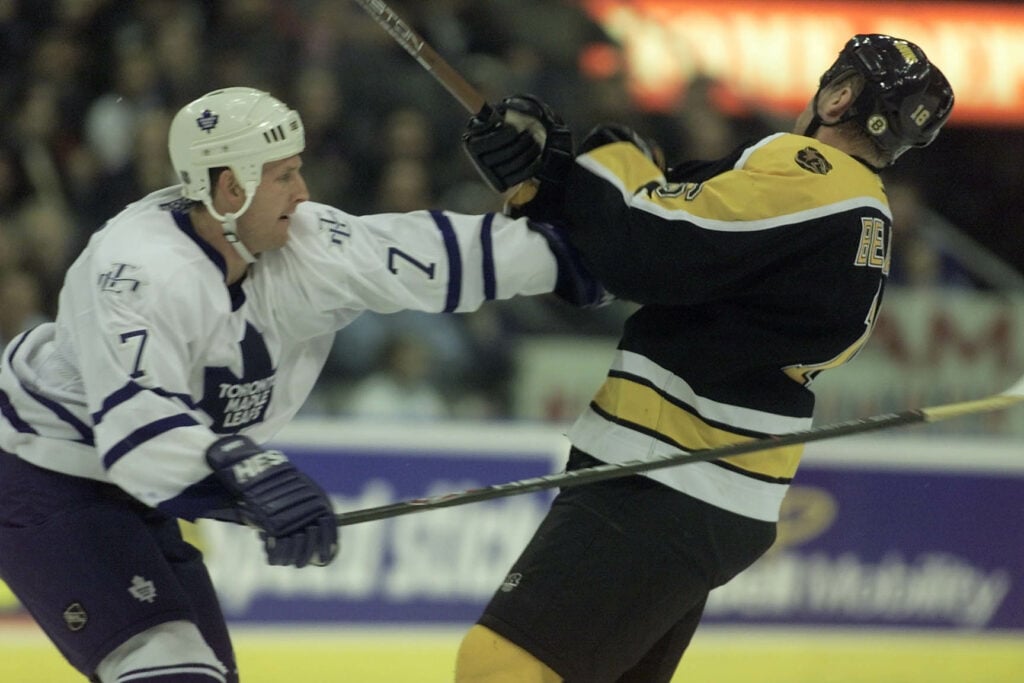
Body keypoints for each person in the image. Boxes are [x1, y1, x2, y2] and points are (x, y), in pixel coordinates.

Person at [0, 86, 605, 683]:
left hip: (139, 492)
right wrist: (248, 473)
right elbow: (135, 429)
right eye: (284, 176)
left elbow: (437, 256)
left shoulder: (303, 242)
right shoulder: (134, 273)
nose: (304, 191)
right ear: (231, 187)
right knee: (166, 666)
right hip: (47, 475)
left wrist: (578, 245)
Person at [457, 34, 954, 682]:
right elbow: (680, 202)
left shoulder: (813, 180)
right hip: (706, 488)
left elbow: (648, 240)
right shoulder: (858, 212)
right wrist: (549, 179)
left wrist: (609, 150)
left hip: (665, 472)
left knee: (499, 665)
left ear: (839, 97)